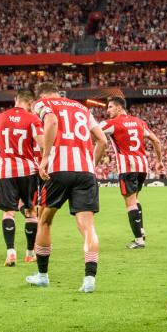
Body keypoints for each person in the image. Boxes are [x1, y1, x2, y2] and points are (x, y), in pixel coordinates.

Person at [25, 83, 108, 292]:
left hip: (58, 170)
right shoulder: (81, 108)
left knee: (44, 221)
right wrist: (91, 165)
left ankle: (42, 275)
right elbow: (103, 141)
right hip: (85, 172)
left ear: (41, 94)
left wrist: (44, 159)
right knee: (88, 226)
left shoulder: (42, 104)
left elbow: (51, 120)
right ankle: (89, 280)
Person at [101, 95, 163, 249]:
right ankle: (141, 230)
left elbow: (93, 130)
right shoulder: (139, 122)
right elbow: (156, 140)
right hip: (142, 167)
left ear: (119, 107)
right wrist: (160, 161)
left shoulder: (112, 123)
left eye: (110, 107)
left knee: (130, 203)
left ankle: (139, 240)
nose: (107, 110)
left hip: (127, 168)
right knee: (135, 199)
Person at [0, 89, 43, 267]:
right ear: (30, 102)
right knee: (31, 212)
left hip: (6, 169)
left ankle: (11, 252)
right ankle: (30, 253)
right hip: (27, 170)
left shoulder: (0, 117)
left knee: (8, 212)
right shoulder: (32, 118)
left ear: (16, 99)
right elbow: (41, 143)